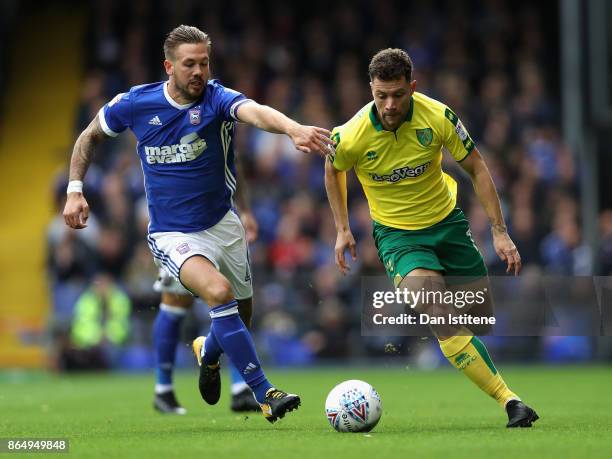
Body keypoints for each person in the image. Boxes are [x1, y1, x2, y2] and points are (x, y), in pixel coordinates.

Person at [64, 24, 332, 423]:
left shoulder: (217, 99)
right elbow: (88, 137)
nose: (199, 72)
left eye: (204, 63)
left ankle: (208, 353)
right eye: (190, 64)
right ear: (168, 66)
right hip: (172, 233)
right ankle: (264, 393)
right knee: (216, 294)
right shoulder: (136, 103)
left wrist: (292, 128)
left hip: (223, 224)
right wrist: (74, 189)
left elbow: (253, 112)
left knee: (241, 315)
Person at [324, 48, 539, 428]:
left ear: (412, 87)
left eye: (398, 94)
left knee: (478, 318)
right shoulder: (351, 134)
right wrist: (342, 228)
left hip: (448, 226)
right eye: (381, 95)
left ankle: (454, 347)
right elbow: (333, 168)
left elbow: (477, 167)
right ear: (371, 90)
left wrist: (500, 232)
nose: (389, 104)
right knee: (435, 307)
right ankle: (512, 402)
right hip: (398, 237)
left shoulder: (439, 116)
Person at [151, 159, 260, 415]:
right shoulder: (163, 125)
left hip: (220, 224)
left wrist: (244, 209)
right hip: (178, 227)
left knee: (237, 302)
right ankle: (163, 389)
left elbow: (232, 161)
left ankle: (239, 387)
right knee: (176, 302)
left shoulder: (218, 121)